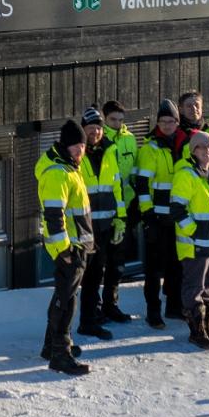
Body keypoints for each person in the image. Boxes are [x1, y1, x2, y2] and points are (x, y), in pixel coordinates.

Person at [35, 120, 94, 375]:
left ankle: (52, 346)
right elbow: (53, 215)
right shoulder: (58, 172)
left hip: (75, 244)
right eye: (76, 146)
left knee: (63, 296)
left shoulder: (70, 168)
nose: (80, 151)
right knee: (67, 301)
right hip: (69, 248)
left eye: (82, 146)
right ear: (64, 145)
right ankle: (60, 353)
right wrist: (65, 250)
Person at [168, 132, 209, 348]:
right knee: (194, 287)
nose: (208, 151)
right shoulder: (186, 175)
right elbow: (177, 209)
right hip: (195, 244)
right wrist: (195, 232)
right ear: (192, 151)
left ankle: (206, 325)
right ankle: (196, 331)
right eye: (202, 147)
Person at [77, 107, 131, 331]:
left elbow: (116, 187)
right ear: (83, 130)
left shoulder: (110, 150)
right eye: (91, 128)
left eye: (98, 128)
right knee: (89, 276)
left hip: (108, 224)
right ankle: (88, 320)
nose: (96, 132)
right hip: (87, 227)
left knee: (106, 270)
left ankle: (104, 310)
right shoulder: (78, 155)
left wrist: (121, 217)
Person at [132, 99, 184, 328]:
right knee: (153, 270)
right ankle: (153, 311)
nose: (167, 125)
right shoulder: (150, 148)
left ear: (177, 122)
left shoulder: (185, 145)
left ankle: (174, 306)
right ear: (158, 123)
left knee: (176, 264)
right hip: (157, 218)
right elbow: (142, 185)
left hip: (178, 216)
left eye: (171, 121)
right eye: (163, 121)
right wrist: (148, 215)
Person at [103, 99, 140, 272]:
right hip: (104, 204)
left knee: (120, 253)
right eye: (113, 119)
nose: (117, 124)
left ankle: (113, 294)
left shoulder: (130, 139)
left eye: (120, 120)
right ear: (104, 119)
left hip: (126, 203)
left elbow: (134, 169)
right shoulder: (99, 139)